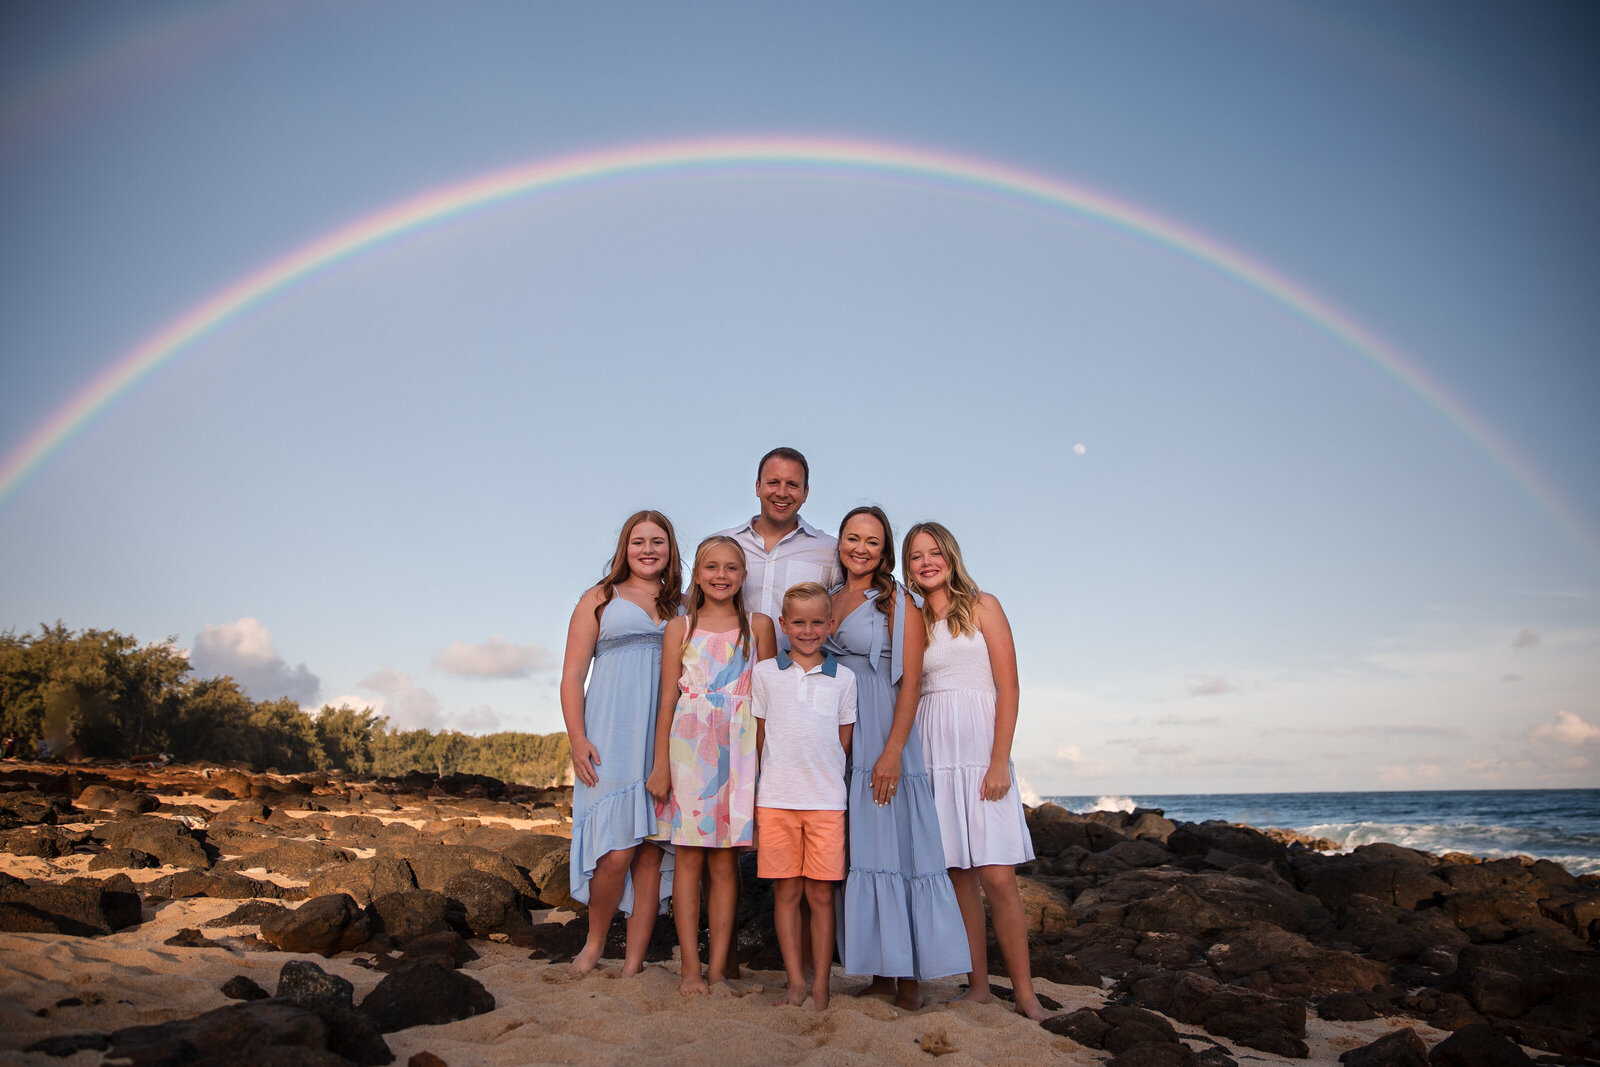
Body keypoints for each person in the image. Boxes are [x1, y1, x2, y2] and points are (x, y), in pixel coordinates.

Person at [903, 521, 1047, 1021]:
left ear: (950, 555)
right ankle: (979, 986)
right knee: (958, 874)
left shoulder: (984, 605)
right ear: (908, 565)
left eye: (934, 552)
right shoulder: (912, 619)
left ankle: (1026, 994)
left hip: (982, 749)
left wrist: (999, 760)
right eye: (916, 555)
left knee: (998, 877)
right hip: (933, 749)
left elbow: (1009, 687)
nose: (926, 562)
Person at [827, 506, 969, 1009]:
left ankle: (911, 979)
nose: (860, 548)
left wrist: (891, 752)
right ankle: (881, 975)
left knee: (900, 849)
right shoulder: (826, 599)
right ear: (840, 543)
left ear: (883, 551)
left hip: (885, 732)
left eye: (871, 541)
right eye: (852, 538)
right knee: (861, 853)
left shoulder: (899, 602)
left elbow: (911, 679)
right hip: (839, 734)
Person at [647, 535, 776, 996]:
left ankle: (719, 971)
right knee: (688, 860)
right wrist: (661, 762)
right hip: (689, 748)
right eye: (711, 567)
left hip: (740, 751)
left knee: (725, 865)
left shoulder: (758, 625)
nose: (721, 576)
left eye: (731, 568)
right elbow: (667, 697)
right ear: (697, 574)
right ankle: (688, 969)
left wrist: (765, 766)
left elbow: (769, 700)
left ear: (744, 576)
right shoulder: (679, 628)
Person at [559, 510, 681, 977]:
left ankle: (633, 963)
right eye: (638, 541)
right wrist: (577, 739)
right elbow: (572, 675)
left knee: (649, 852)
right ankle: (593, 945)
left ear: (670, 550)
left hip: (665, 740)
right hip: (610, 735)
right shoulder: (599, 598)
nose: (648, 550)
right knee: (614, 853)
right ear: (623, 549)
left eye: (658, 542)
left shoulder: (683, 604)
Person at [752, 582, 857, 1010]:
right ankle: (796, 982)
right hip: (775, 800)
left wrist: (818, 778)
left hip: (827, 803)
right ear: (783, 625)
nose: (808, 630)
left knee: (821, 896)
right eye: (798, 622)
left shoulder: (844, 679)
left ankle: (821, 986)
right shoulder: (764, 674)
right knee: (786, 894)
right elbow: (759, 740)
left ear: (830, 625)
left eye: (817, 622)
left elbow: (842, 742)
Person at [718, 447, 842, 624]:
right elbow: (695, 607)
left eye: (792, 484)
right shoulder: (722, 545)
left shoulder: (829, 551)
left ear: (805, 493)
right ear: (758, 487)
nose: (782, 493)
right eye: (773, 482)